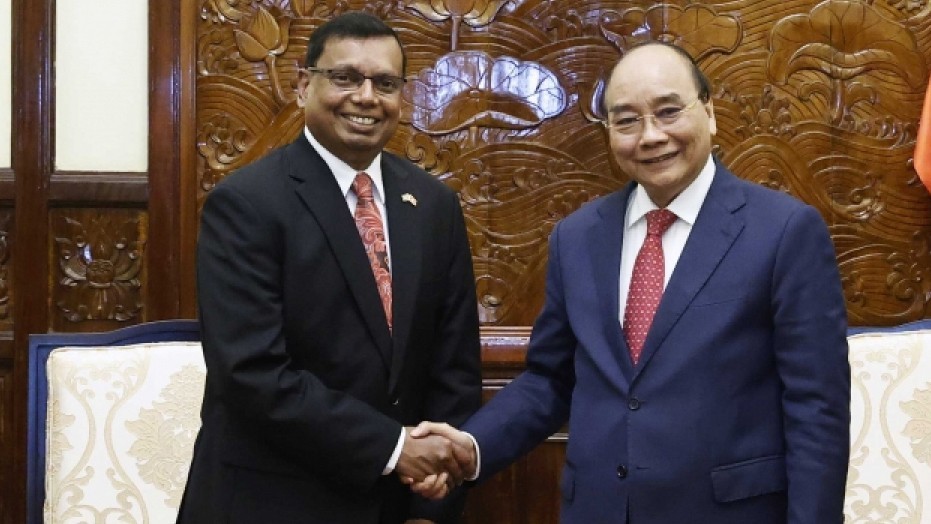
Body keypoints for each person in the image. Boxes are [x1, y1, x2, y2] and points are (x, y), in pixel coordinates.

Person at [411, 41, 850, 523]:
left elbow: (816, 411)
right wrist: (474, 447)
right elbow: (551, 379)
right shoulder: (576, 237)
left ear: (709, 112)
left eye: (668, 112)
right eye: (627, 120)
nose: (650, 136)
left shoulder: (785, 231)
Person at [177, 11, 482, 524]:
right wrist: (393, 448)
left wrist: (432, 503)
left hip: (399, 505)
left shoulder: (433, 205)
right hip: (271, 502)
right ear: (303, 85)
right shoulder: (245, 204)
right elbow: (254, 374)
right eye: (345, 78)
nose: (366, 97)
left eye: (385, 83)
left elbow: (454, 368)